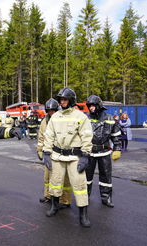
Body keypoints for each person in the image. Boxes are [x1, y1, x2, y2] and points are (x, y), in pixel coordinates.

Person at [42, 87, 93, 228]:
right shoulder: (55, 117)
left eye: (65, 99)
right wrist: (46, 153)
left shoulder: (80, 116)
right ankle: (54, 207)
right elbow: (49, 135)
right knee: (55, 182)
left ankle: (83, 215)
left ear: (71, 100)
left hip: (75, 157)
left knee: (80, 185)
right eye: (61, 100)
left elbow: (87, 136)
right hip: (57, 156)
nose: (62, 102)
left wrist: (85, 156)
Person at [85, 95, 122, 208]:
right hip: (89, 152)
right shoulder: (85, 119)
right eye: (89, 106)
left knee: (106, 176)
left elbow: (116, 136)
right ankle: (84, 197)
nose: (91, 108)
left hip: (104, 152)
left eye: (92, 106)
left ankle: (106, 198)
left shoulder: (110, 119)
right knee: (86, 177)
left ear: (98, 106)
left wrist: (117, 149)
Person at [37, 98, 71, 209]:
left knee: (64, 178)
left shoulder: (63, 119)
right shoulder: (44, 121)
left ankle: (65, 200)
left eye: (53, 110)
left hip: (61, 154)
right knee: (47, 177)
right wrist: (39, 150)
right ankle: (48, 196)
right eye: (49, 110)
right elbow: (41, 137)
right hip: (48, 153)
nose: (51, 112)